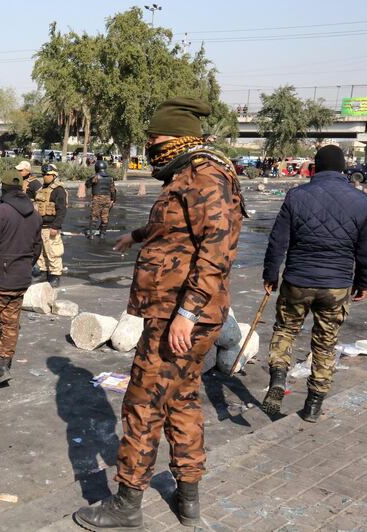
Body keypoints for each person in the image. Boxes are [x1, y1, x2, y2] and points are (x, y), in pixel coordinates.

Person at [74, 98, 245, 530]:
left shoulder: (205, 177)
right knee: (182, 399)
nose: (149, 146)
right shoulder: (186, 175)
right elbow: (174, 227)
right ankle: (188, 499)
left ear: (178, 138)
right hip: (175, 312)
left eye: (154, 139)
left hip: (179, 316)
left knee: (143, 403)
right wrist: (135, 236)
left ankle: (127, 503)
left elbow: (216, 251)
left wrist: (187, 312)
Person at [260, 144, 367, 422]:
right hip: (336, 286)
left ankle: (279, 376)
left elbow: (278, 241)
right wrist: (364, 282)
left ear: (315, 167)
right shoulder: (361, 202)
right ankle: (313, 404)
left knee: (286, 330)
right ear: (343, 169)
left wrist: (270, 274)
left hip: (297, 281)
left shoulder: (296, 196)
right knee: (325, 345)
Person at [0, 173, 42, 389]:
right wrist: (25, 267)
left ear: (2, 189)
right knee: (10, 323)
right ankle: (6, 363)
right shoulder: (36, 215)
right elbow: (37, 248)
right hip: (21, 278)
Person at [33, 163, 67, 288]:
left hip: (51, 227)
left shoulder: (58, 190)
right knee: (41, 252)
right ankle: (43, 272)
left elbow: (61, 210)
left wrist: (56, 226)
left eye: (48, 174)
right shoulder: (41, 189)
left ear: (54, 175)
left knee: (53, 252)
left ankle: (55, 275)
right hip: (40, 227)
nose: (45, 176)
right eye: (43, 174)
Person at [86, 160, 117, 239]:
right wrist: (113, 200)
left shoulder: (95, 177)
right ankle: (102, 234)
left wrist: (90, 179)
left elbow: (87, 185)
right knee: (105, 217)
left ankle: (91, 234)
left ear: (97, 168)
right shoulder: (110, 178)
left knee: (94, 216)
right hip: (107, 199)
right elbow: (113, 190)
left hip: (97, 199)